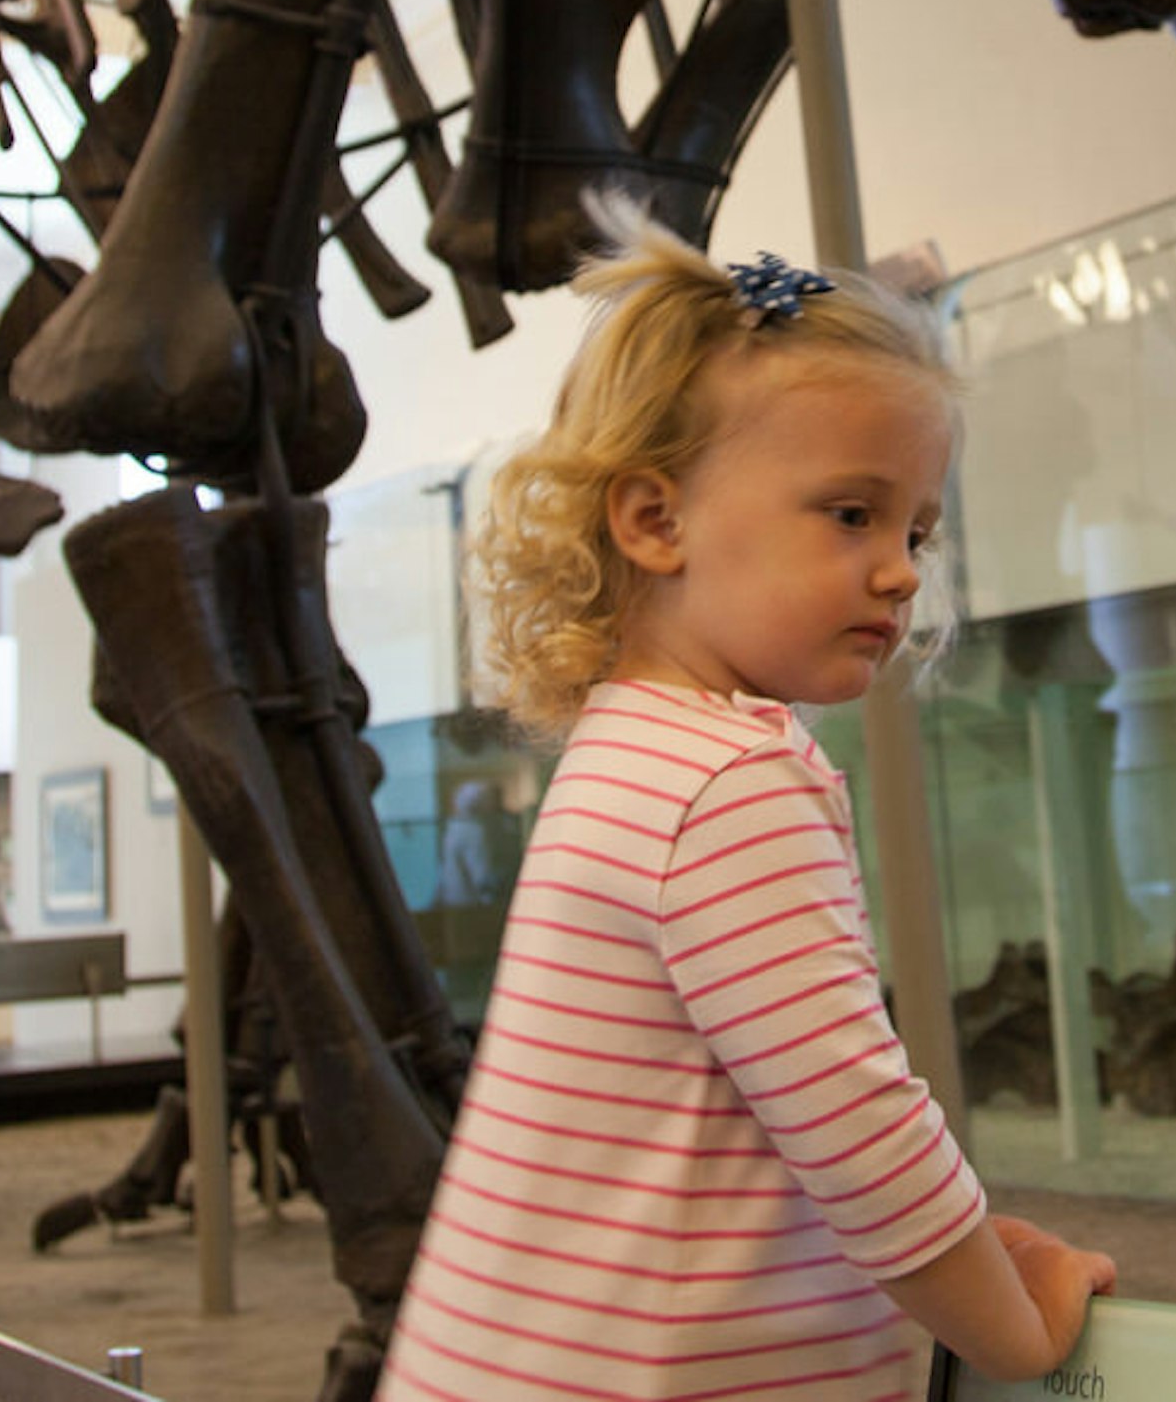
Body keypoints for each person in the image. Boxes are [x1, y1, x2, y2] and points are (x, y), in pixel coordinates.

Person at [375, 216, 1114, 1400]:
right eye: (851, 513)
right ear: (655, 519)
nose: (904, 568)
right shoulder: (729, 784)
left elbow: (744, 1129)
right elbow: (859, 1129)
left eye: (917, 526)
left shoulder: (626, 751)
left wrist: (974, 1250)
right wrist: (1014, 1328)